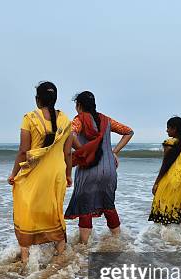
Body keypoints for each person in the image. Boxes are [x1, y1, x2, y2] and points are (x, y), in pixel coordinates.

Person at [8, 81, 73, 263]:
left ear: (38, 100)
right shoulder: (66, 120)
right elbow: (67, 152)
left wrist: (13, 174)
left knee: (28, 213)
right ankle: (60, 257)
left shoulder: (30, 118)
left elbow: (23, 151)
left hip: (34, 174)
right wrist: (68, 174)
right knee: (54, 212)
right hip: (57, 174)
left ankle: (27, 262)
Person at [64, 91, 134, 244]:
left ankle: (84, 246)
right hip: (109, 170)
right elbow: (129, 131)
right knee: (109, 205)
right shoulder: (107, 120)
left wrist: (82, 150)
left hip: (89, 169)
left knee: (85, 207)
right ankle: (117, 240)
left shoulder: (79, 120)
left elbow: (69, 135)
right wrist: (114, 152)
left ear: (79, 106)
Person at [149, 116, 181, 227]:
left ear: (174, 129)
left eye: (168, 128)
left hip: (170, 178)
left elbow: (165, 165)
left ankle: (163, 236)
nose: (167, 130)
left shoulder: (168, 143)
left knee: (162, 206)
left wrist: (156, 182)